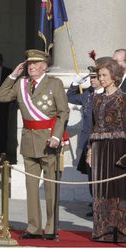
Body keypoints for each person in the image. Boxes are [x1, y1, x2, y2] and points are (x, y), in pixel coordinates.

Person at [0, 49, 69, 240]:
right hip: (28, 140)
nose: (32, 67)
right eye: (29, 64)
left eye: (36, 64)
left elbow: (63, 112)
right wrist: (13, 74)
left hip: (48, 141)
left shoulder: (54, 83)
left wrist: (57, 136)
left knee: (51, 187)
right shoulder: (21, 84)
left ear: (45, 66)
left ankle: (51, 227)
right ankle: (34, 228)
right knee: (31, 186)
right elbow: (1, 96)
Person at [86, 59, 126, 242]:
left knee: (118, 189)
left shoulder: (123, 99)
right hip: (99, 149)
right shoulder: (97, 99)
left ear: (114, 76)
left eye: (104, 75)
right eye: (99, 75)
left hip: (119, 148)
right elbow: (93, 128)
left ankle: (121, 231)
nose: (100, 79)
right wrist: (89, 151)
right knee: (101, 189)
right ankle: (104, 231)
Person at [67, 61, 107, 217]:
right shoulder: (87, 95)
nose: (92, 81)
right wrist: (75, 84)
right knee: (91, 175)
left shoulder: (108, 95)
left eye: (95, 78)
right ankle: (95, 202)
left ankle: (102, 202)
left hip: (102, 141)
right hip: (87, 141)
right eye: (91, 78)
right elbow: (70, 97)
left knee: (102, 174)